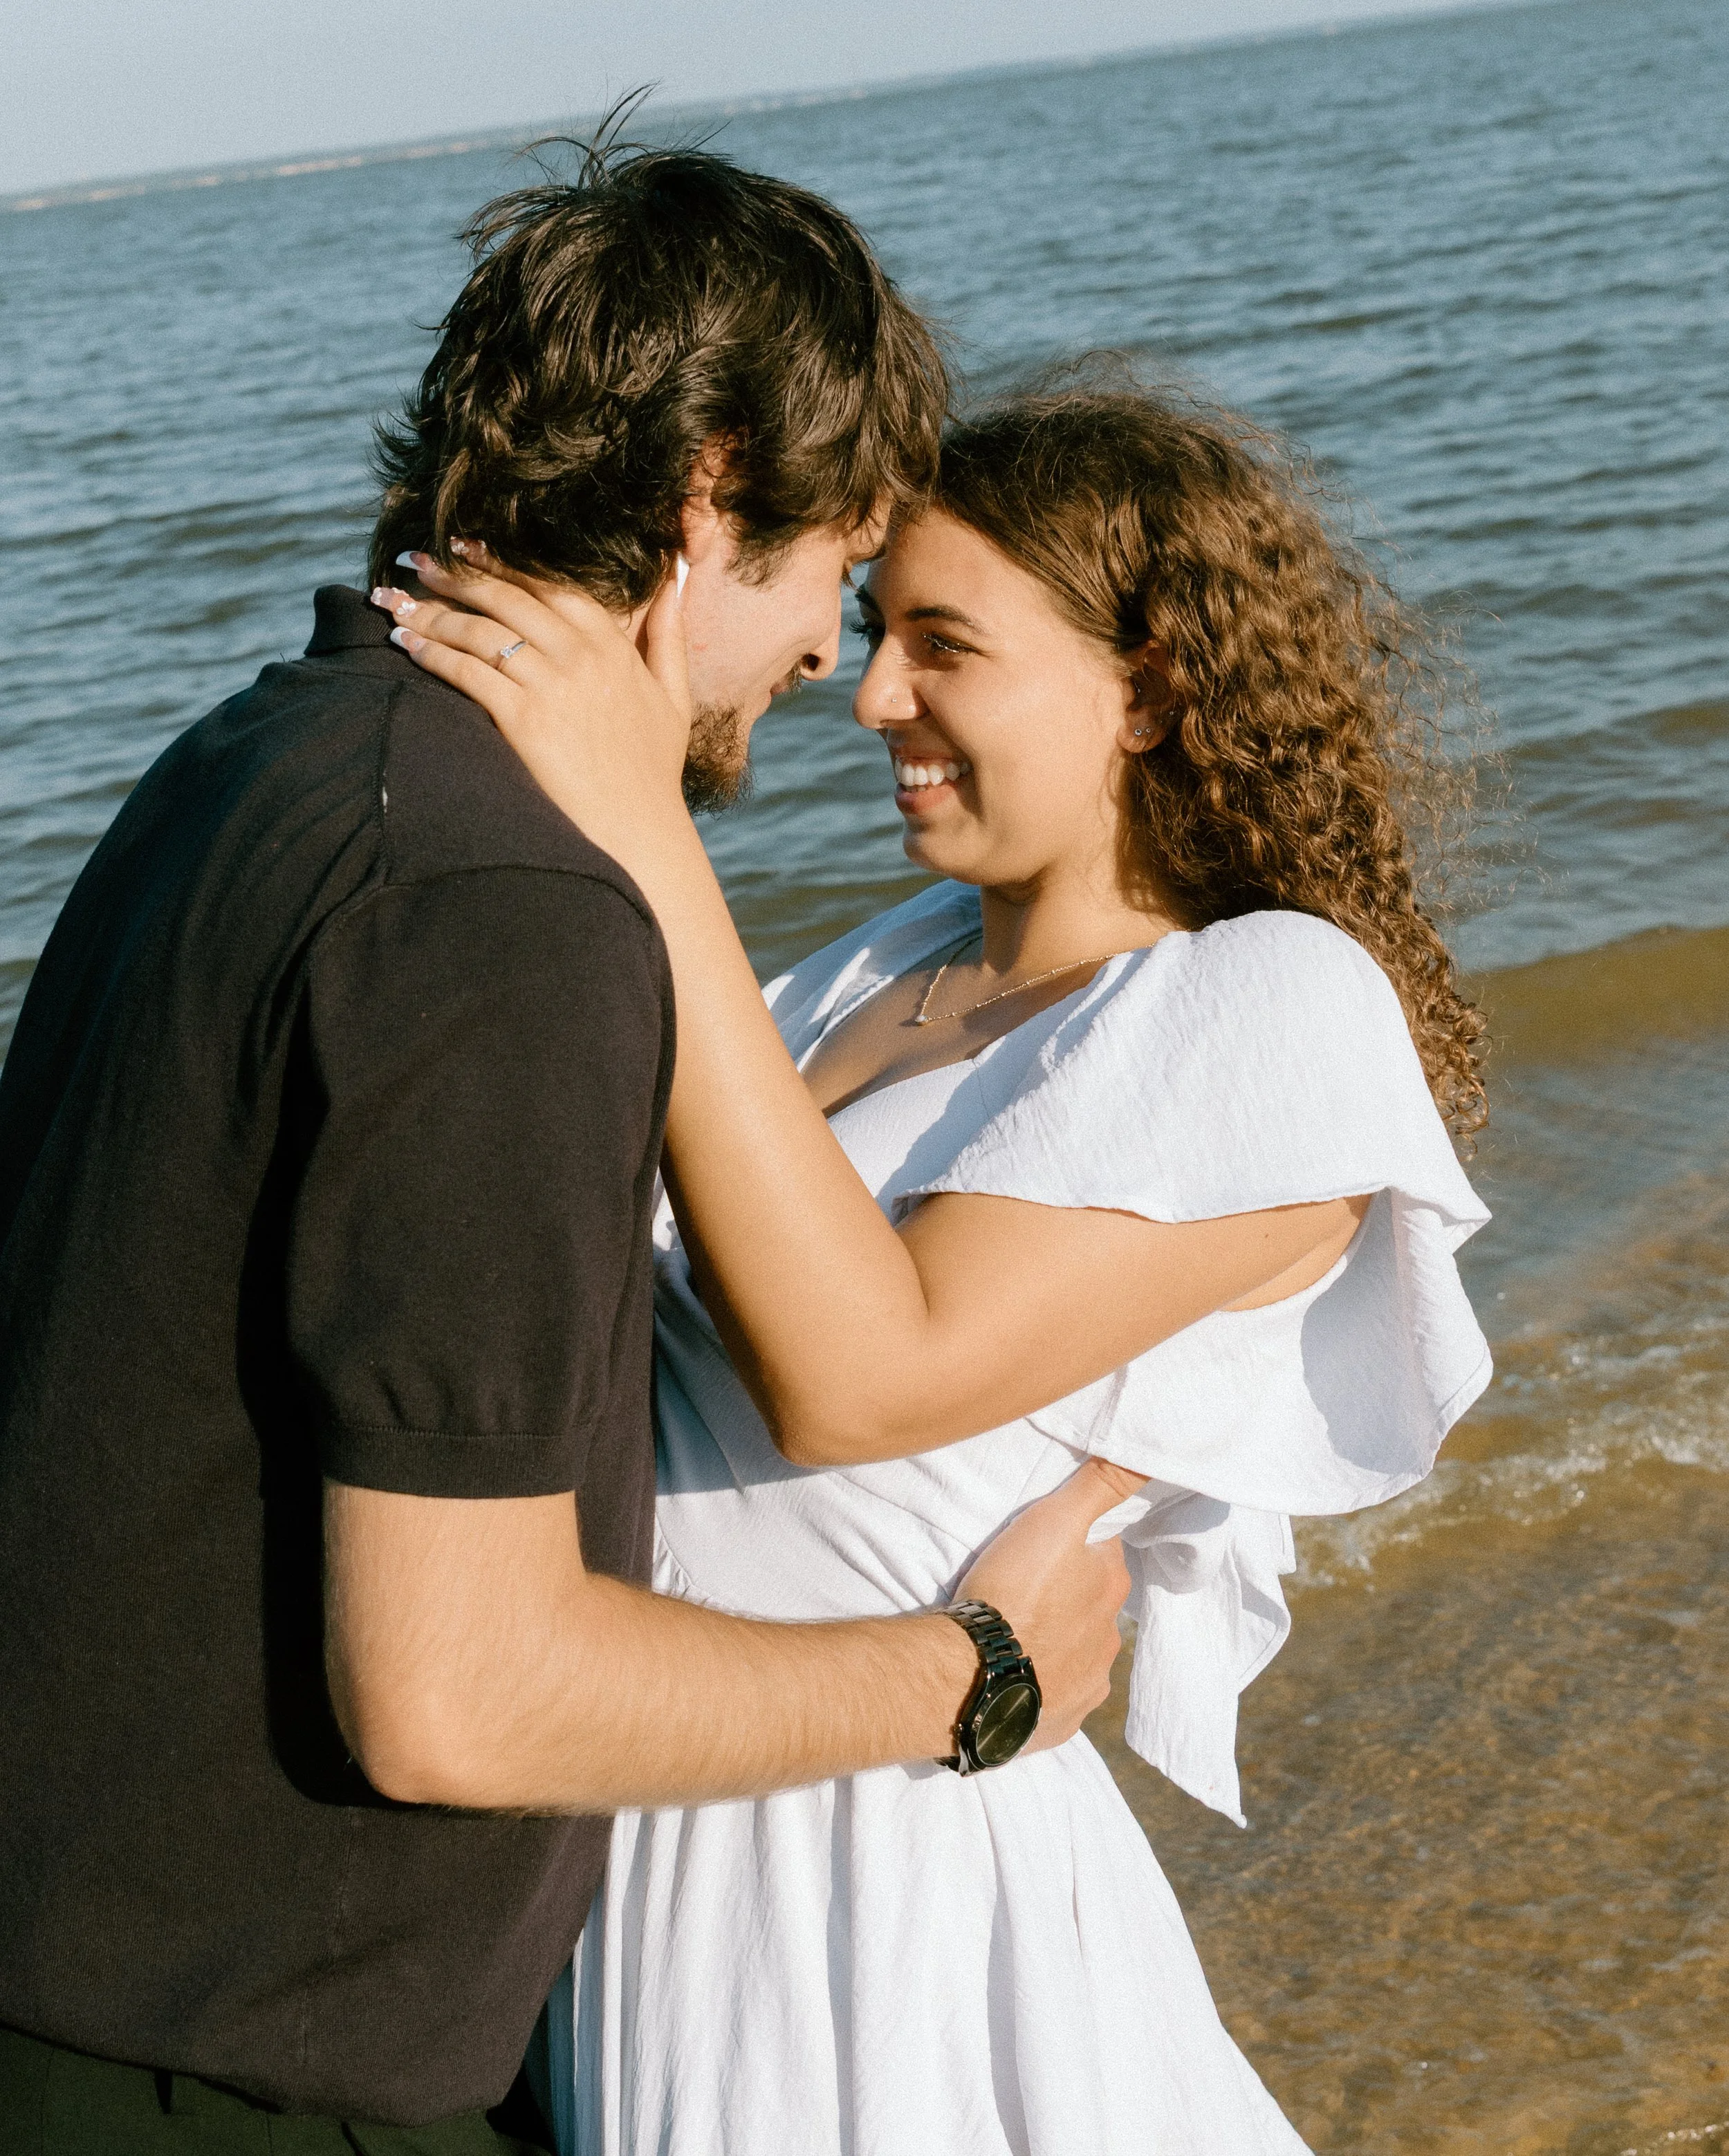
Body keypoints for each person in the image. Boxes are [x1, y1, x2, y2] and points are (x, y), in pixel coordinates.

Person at [0, 150, 1137, 2155]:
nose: (823, 661)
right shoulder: (502, 906)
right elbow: (463, 1690)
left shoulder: (258, 759)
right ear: (709, 499)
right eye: (826, 575)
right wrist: (967, 1675)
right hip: (223, 2070)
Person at [379, 365, 1495, 2155]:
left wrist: (637, 812)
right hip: (663, 1826)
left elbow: (858, 1376)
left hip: (886, 1884)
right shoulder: (870, 970)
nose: (873, 692)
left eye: (943, 644)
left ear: (1147, 687)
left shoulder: (1264, 999)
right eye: (873, 628)